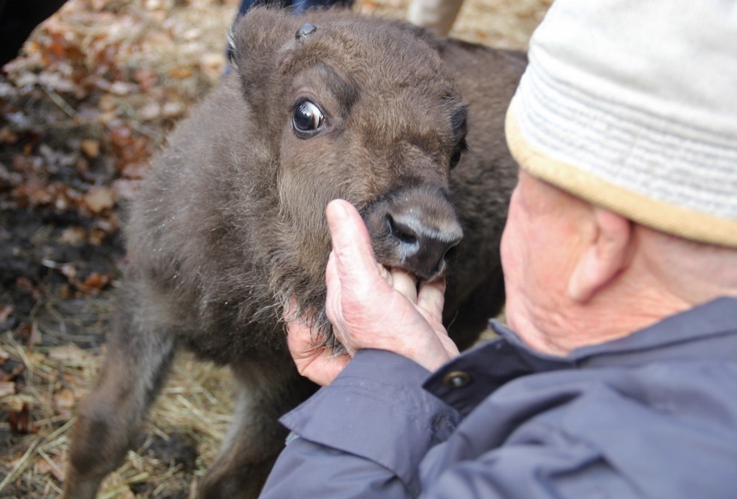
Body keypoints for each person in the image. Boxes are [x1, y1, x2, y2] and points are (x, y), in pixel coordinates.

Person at [260, 0, 737, 497]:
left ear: (600, 244)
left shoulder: (594, 469)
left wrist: (383, 381)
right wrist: (419, 375)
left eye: (523, 199)